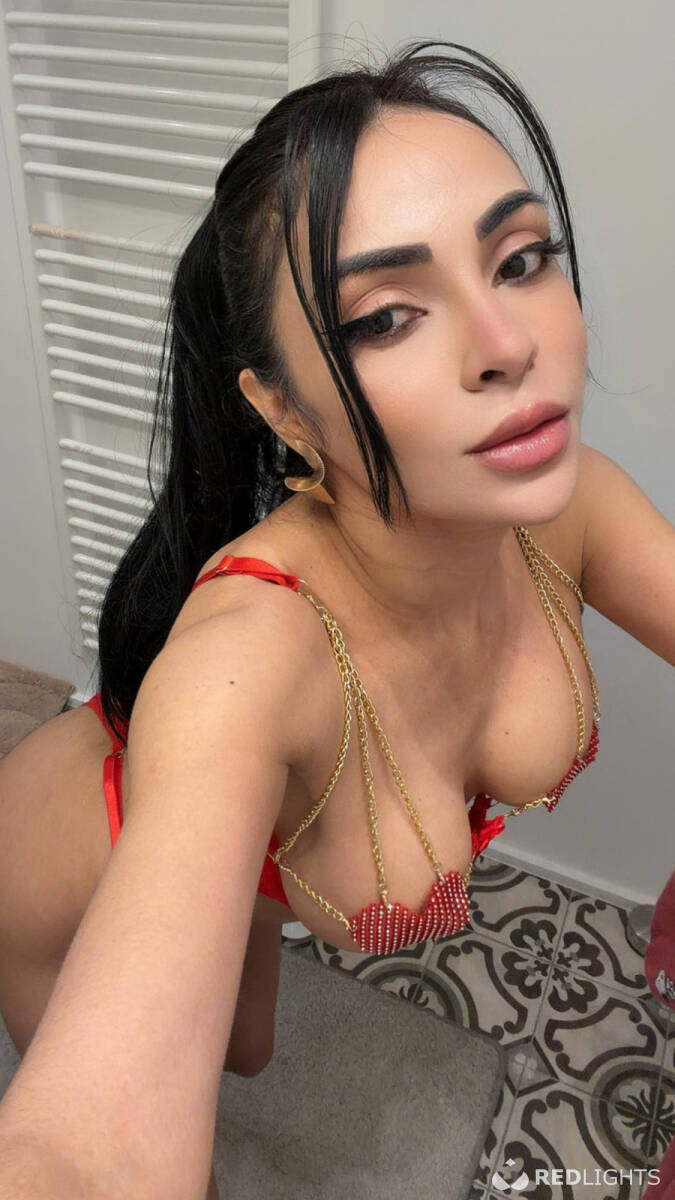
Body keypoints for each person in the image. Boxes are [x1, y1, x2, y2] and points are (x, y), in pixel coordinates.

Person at [0, 36, 673, 1200]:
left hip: (258, 862)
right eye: (389, 316)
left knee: (246, 1049)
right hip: (43, 865)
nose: (509, 345)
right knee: (208, 1086)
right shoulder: (243, 665)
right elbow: (92, 1151)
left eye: (519, 260)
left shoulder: (578, 512)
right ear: (282, 411)